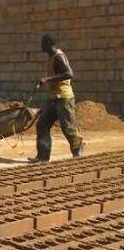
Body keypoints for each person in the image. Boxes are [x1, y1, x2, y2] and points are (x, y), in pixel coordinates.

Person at [29, 34, 83, 162]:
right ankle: (42, 157)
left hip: (64, 97)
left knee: (68, 127)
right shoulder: (51, 58)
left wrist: (47, 79)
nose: (40, 46)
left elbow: (69, 74)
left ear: (48, 43)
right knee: (42, 124)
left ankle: (78, 153)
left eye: (42, 43)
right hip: (53, 97)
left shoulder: (59, 57)